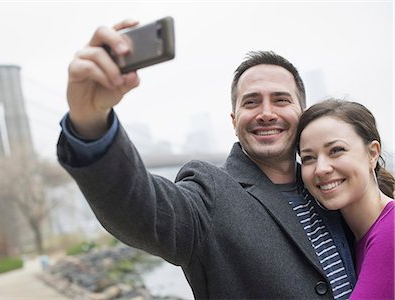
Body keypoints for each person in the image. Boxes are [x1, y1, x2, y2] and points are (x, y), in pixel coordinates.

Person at [57, 19, 356, 299]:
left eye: (280, 99)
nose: (266, 113)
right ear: (234, 119)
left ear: (301, 115)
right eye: (251, 102)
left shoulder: (328, 184)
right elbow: (139, 206)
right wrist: (91, 122)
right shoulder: (209, 193)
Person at [297, 99, 395, 299]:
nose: (321, 168)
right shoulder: (351, 238)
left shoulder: (390, 232)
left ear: (372, 153)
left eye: (336, 150)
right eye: (308, 158)